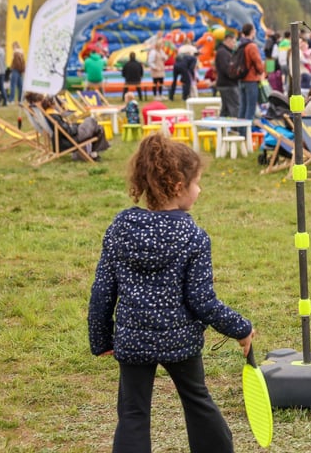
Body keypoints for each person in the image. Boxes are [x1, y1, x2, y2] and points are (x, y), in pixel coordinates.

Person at [88, 134, 255, 452]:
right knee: (197, 400)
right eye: (197, 183)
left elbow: (102, 290)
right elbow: (202, 300)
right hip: (179, 342)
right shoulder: (193, 236)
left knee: (132, 413)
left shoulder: (121, 227)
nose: (200, 190)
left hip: (133, 340)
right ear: (179, 186)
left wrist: (101, 339)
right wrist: (241, 328)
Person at [237, 23, 265, 135]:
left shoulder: (240, 44)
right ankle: (247, 133)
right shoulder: (251, 46)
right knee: (251, 108)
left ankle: (240, 131)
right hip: (251, 79)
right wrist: (261, 70)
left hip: (241, 78)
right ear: (252, 32)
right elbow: (258, 63)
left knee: (242, 106)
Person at [215, 31, 239, 118]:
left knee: (226, 109)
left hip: (226, 83)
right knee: (235, 107)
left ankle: (221, 128)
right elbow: (226, 69)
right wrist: (236, 74)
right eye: (233, 42)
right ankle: (237, 128)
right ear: (228, 40)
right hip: (228, 84)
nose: (234, 44)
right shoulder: (223, 53)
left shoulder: (225, 52)